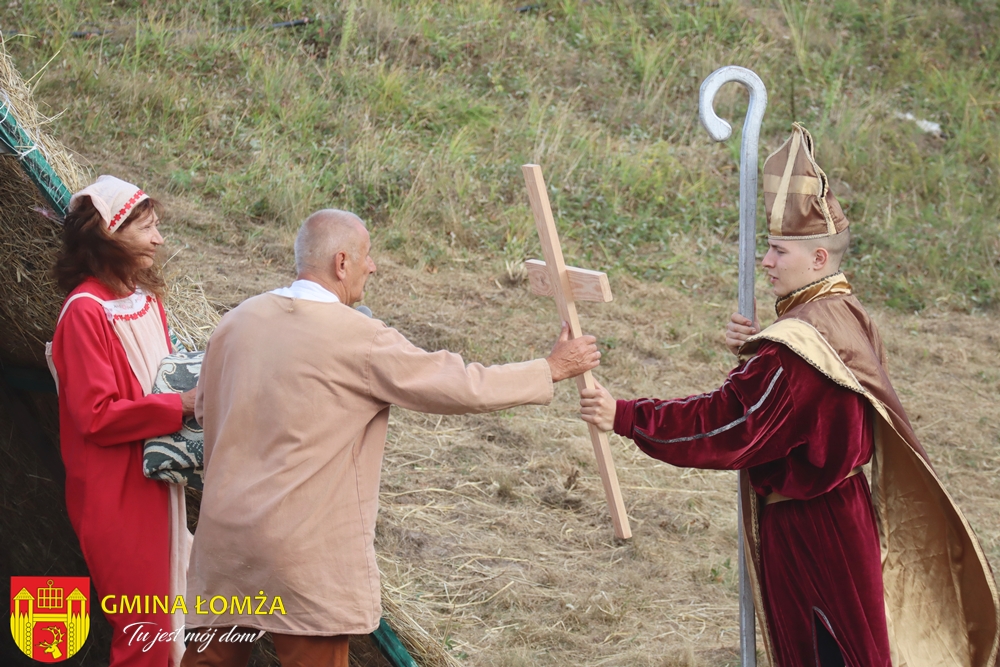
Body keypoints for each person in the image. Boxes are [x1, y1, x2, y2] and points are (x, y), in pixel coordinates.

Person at [580, 125, 999, 666]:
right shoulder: (842, 313)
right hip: (840, 511)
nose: (768, 261)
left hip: (813, 529)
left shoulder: (797, 347)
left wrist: (627, 415)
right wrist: (758, 347)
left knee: (827, 654)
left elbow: (731, 423)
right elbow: (791, 404)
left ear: (819, 260)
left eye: (779, 250)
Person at [182, 209, 601, 667]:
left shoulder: (237, 321)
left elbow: (205, 409)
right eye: (367, 255)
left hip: (224, 539)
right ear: (342, 263)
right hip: (299, 555)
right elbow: (460, 385)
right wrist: (551, 369)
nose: (373, 266)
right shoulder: (360, 338)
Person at [51, 175, 195, 666]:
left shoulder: (146, 301)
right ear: (109, 234)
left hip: (157, 480)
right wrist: (183, 407)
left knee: (173, 623)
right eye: (147, 228)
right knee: (144, 633)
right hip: (115, 492)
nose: (159, 239)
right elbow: (95, 417)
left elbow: (164, 377)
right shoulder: (84, 313)